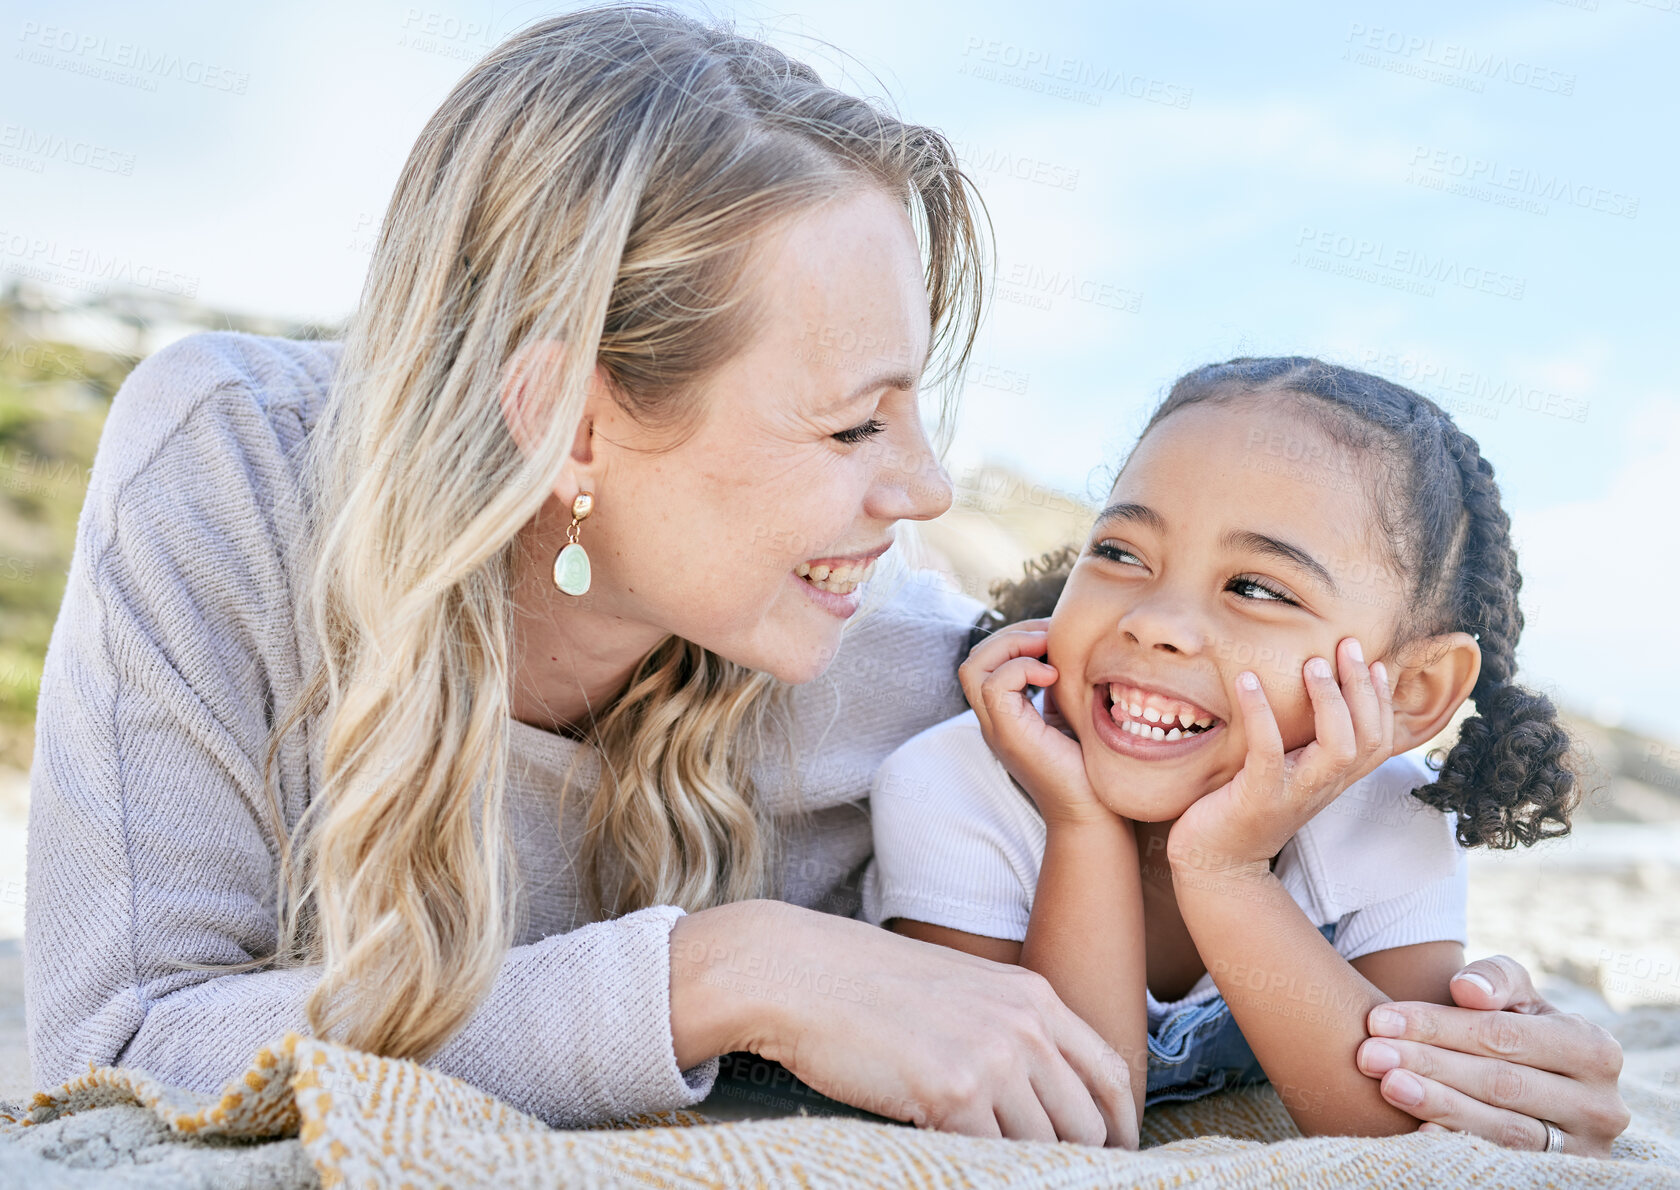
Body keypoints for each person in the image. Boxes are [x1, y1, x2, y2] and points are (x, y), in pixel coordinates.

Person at [21, 5, 1627, 1154]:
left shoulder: (902, 656)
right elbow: (111, 1054)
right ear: (569, 416)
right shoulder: (229, 476)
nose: (925, 492)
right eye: (856, 420)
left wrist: (1480, 1019)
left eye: (917, 407)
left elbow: (1212, 837)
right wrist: (730, 972)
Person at [866, 357, 1632, 1151]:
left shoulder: (1390, 821)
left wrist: (1223, 870)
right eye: (1122, 553)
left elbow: (1403, 1130)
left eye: (1259, 589)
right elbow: (1072, 1127)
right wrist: (1079, 822)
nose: (1157, 621)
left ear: (1411, 691)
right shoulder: (952, 786)